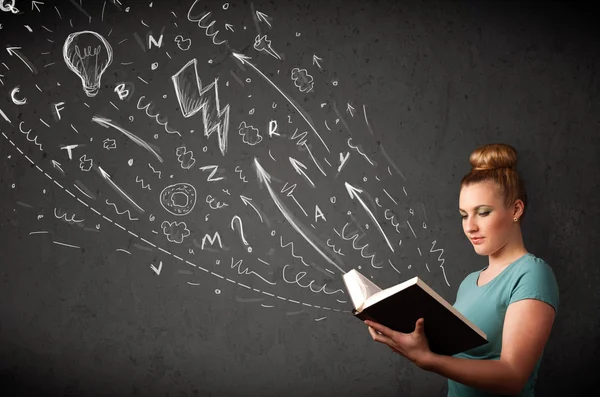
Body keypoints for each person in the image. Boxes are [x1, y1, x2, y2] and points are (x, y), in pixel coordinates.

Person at [364, 143, 559, 396]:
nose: (470, 227)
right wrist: (403, 335)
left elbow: (513, 377)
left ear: (516, 209)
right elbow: (454, 356)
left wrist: (428, 360)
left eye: (483, 213)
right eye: (464, 215)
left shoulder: (532, 275)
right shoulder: (469, 283)